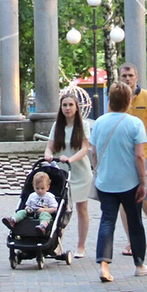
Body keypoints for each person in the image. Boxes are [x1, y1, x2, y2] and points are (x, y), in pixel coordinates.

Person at [91, 81, 147, 282]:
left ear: (110, 101)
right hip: (130, 182)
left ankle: (103, 264)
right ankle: (139, 264)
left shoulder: (99, 122)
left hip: (105, 181)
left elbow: (93, 152)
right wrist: (143, 182)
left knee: (107, 220)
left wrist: (97, 171)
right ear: (129, 101)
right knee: (135, 222)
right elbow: (139, 157)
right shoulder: (135, 123)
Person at [118, 63, 147, 255]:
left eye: (130, 75)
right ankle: (132, 240)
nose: (127, 79)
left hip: (144, 155)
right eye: (123, 76)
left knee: (143, 197)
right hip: (121, 156)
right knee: (122, 201)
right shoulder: (116, 99)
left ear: (137, 77)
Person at [44, 90, 92, 257]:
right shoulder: (57, 126)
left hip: (81, 172)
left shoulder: (83, 125)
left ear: (77, 108)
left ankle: (81, 246)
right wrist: (48, 155)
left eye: (71, 105)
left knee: (82, 208)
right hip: (63, 174)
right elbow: (49, 146)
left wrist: (71, 159)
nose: (68, 108)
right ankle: (58, 244)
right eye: (64, 105)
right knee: (61, 209)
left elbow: (85, 148)